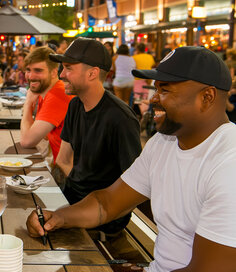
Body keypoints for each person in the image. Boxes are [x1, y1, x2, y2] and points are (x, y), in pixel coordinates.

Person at [28, 46, 236, 271]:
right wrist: (57, 217)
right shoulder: (161, 143)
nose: (153, 98)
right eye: (156, 89)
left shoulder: (228, 163)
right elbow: (107, 203)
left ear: (207, 97)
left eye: (165, 90)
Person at [50, 38, 142, 235]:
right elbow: (62, 159)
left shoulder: (121, 119)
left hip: (105, 220)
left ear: (92, 73)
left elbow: (136, 185)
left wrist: (90, 206)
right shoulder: (75, 105)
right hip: (71, 201)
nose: (61, 74)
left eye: (68, 68)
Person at [20, 46, 73, 163]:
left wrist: (28, 103)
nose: (31, 76)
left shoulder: (58, 95)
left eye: (38, 70)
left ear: (54, 72)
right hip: (59, 165)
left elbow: (26, 141)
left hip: (66, 173)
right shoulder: (47, 91)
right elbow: (43, 136)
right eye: (28, 70)